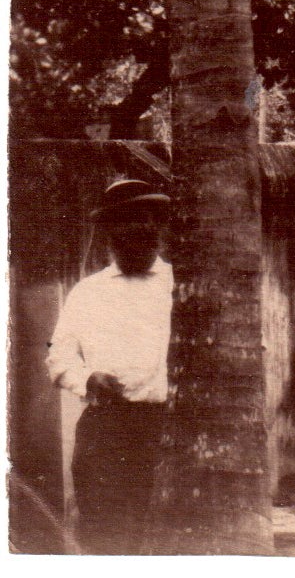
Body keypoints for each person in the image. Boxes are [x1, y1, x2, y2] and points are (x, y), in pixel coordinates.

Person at [46, 177, 173, 554]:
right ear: (109, 233)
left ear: (158, 227)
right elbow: (59, 355)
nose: (137, 229)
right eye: (125, 221)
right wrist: (87, 378)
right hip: (107, 430)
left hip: (167, 428)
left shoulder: (180, 284)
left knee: (162, 535)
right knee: (105, 532)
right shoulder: (89, 291)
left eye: (145, 219)